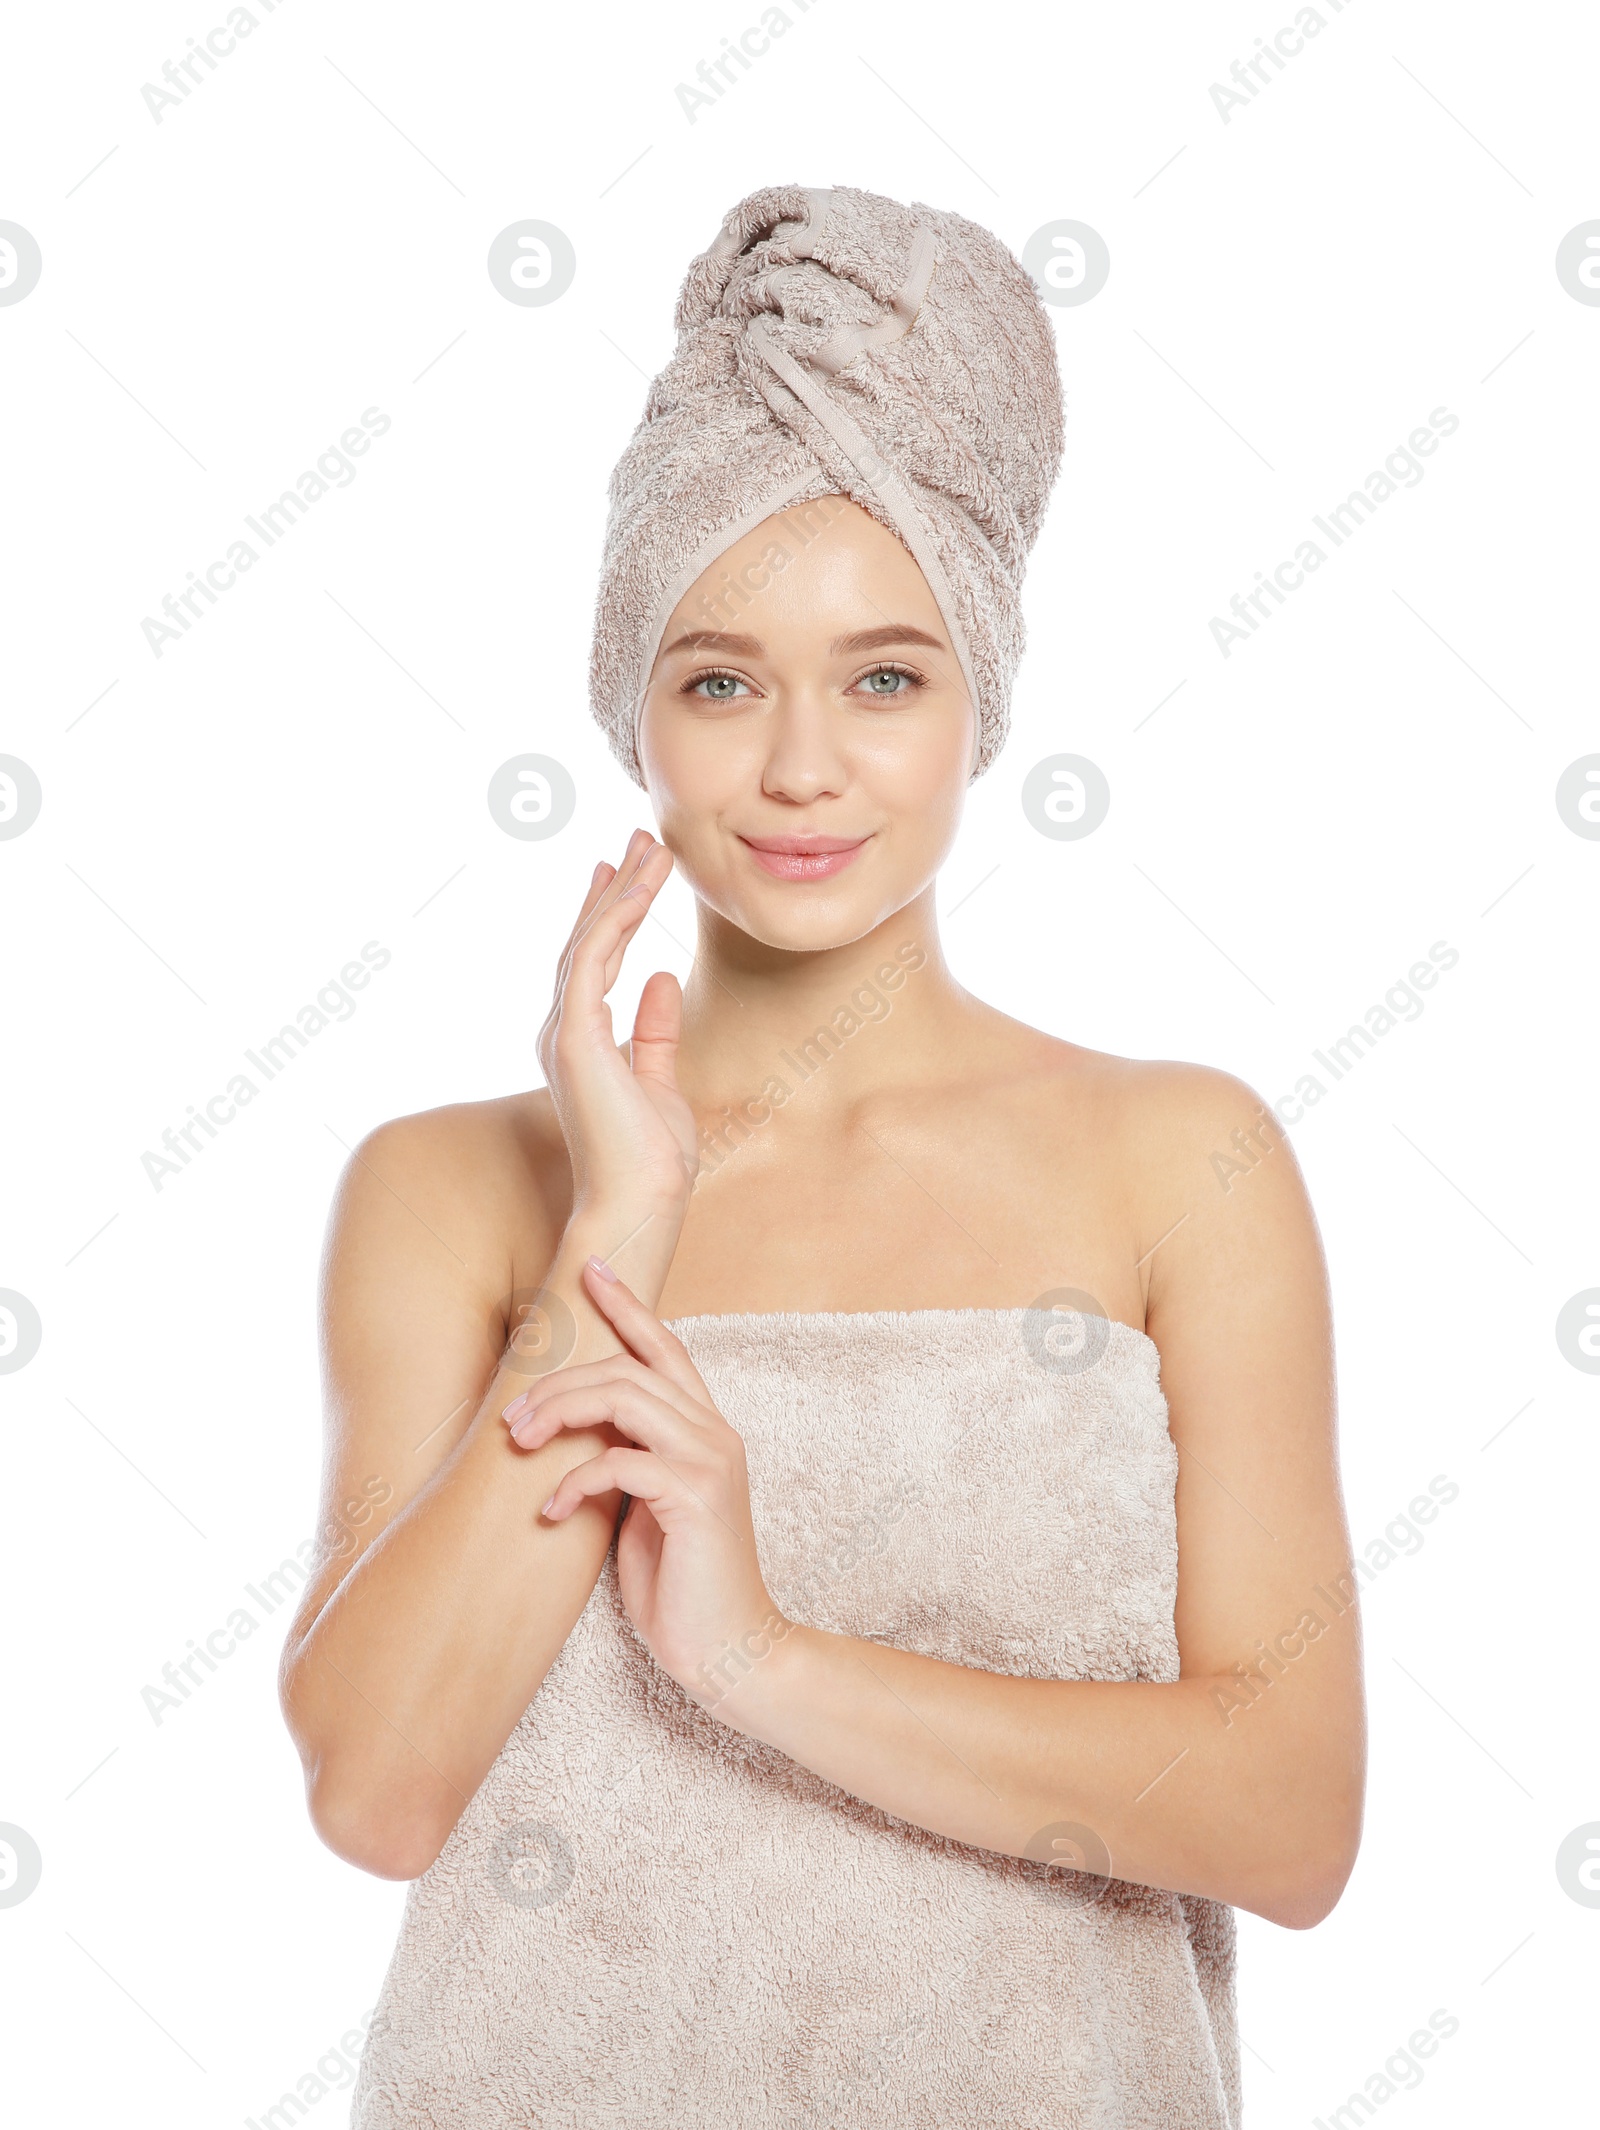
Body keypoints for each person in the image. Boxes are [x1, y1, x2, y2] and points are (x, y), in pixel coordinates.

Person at [281, 184, 1365, 2128]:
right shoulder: (450, 1193)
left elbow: (1284, 1817)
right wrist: (623, 1214)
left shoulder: (1173, 1162)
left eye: (883, 676)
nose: (798, 767)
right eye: (719, 679)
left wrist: (762, 1658)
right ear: (635, 707)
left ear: (975, 707)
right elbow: (379, 1788)